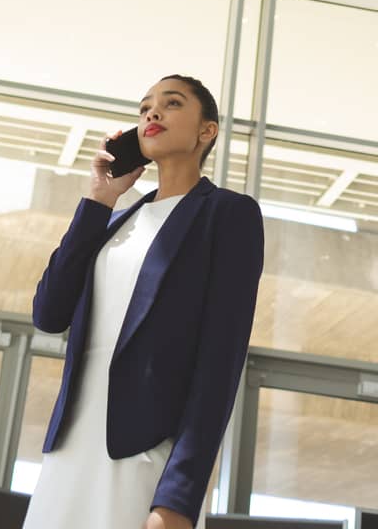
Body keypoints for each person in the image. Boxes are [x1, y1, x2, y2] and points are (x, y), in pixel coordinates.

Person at [24, 74, 264, 529]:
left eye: (171, 104)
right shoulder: (117, 220)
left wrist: (178, 499)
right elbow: (49, 313)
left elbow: (220, 362)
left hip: (144, 454)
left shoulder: (228, 215)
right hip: (70, 447)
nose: (152, 113)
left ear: (206, 131)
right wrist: (100, 199)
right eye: (144, 108)